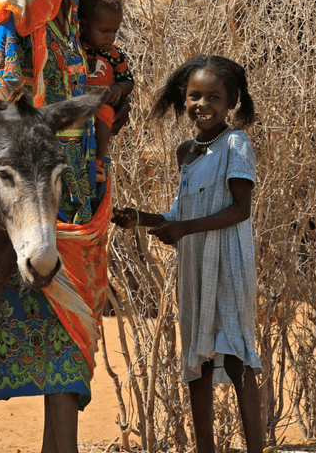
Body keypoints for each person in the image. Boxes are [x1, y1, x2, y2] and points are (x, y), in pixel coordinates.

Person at [0, 0, 111, 453]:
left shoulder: (74, 4)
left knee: (76, 321)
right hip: (31, 179)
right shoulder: (8, 0)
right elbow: (0, 100)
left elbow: (84, 78)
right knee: (18, 303)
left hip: (76, 178)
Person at [113, 54, 266, 453]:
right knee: (196, 364)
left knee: (236, 356)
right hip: (195, 266)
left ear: (232, 100)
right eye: (195, 96)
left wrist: (183, 229)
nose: (203, 105)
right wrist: (141, 218)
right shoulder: (187, 152)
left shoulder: (236, 143)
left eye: (214, 97)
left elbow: (240, 209)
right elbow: (181, 213)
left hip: (229, 262)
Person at [78, 0, 133, 199]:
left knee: (106, 115)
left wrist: (119, 89)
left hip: (102, 103)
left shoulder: (114, 55)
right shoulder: (76, 48)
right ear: (82, 25)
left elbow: (128, 80)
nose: (110, 37)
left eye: (115, 31)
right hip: (79, 104)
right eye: (104, 31)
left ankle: (98, 163)